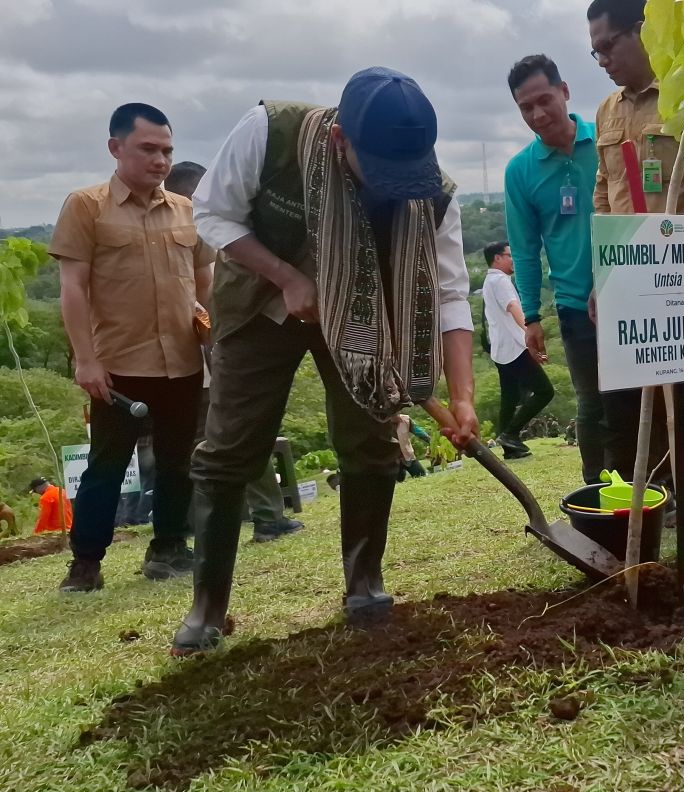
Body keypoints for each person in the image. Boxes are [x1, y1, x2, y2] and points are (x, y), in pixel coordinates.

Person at [173, 67, 478, 656]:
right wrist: (286, 276)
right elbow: (211, 213)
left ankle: (364, 582)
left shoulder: (434, 190)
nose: (394, 189)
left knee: (370, 439)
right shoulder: (270, 133)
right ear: (342, 141)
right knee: (230, 446)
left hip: (365, 317)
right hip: (263, 302)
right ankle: (207, 607)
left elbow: (450, 292)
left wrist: (461, 394)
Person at [50, 104, 214, 592]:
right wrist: (85, 359)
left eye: (166, 150)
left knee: (176, 462)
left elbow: (203, 279)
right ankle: (86, 564)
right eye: (148, 149)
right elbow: (73, 288)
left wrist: (212, 334)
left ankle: (167, 547)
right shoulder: (86, 206)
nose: (160, 160)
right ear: (115, 148)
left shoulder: (187, 211)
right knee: (106, 466)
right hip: (119, 365)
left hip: (183, 361)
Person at [588, 0, 684, 494]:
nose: (605, 60)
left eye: (609, 46)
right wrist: (603, 276)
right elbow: (602, 190)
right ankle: (638, 493)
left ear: (642, 32)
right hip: (627, 275)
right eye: (596, 53)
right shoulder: (607, 111)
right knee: (625, 400)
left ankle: (672, 488)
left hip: (681, 277)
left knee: (676, 393)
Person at [165, 162, 303, 544]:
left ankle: (189, 529)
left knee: (201, 442)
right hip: (201, 361)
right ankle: (267, 517)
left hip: (177, 365)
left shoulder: (180, 232)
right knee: (238, 434)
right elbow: (211, 299)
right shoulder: (204, 231)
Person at [504, 54, 606, 483]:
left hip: (633, 292)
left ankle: (659, 491)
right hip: (573, 305)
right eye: (525, 107)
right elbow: (525, 252)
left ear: (564, 91)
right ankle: (599, 494)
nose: (537, 114)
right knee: (592, 405)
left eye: (544, 100)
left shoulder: (608, 140)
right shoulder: (520, 171)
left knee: (644, 399)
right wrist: (531, 316)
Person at [482, 240, 554, 459]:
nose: (513, 259)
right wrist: (530, 334)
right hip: (515, 346)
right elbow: (514, 308)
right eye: (509, 255)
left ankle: (509, 447)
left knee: (510, 397)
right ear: (498, 258)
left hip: (501, 348)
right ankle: (511, 434)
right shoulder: (501, 281)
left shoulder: (488, 281)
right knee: (544, 391)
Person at [395, 414, 430, 482]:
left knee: (421, 475)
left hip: (408, 457)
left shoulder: (406, 420)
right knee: (397, 481)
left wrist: (431, 441)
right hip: (392, 461)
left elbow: (418, 432)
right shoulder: (381, 423)